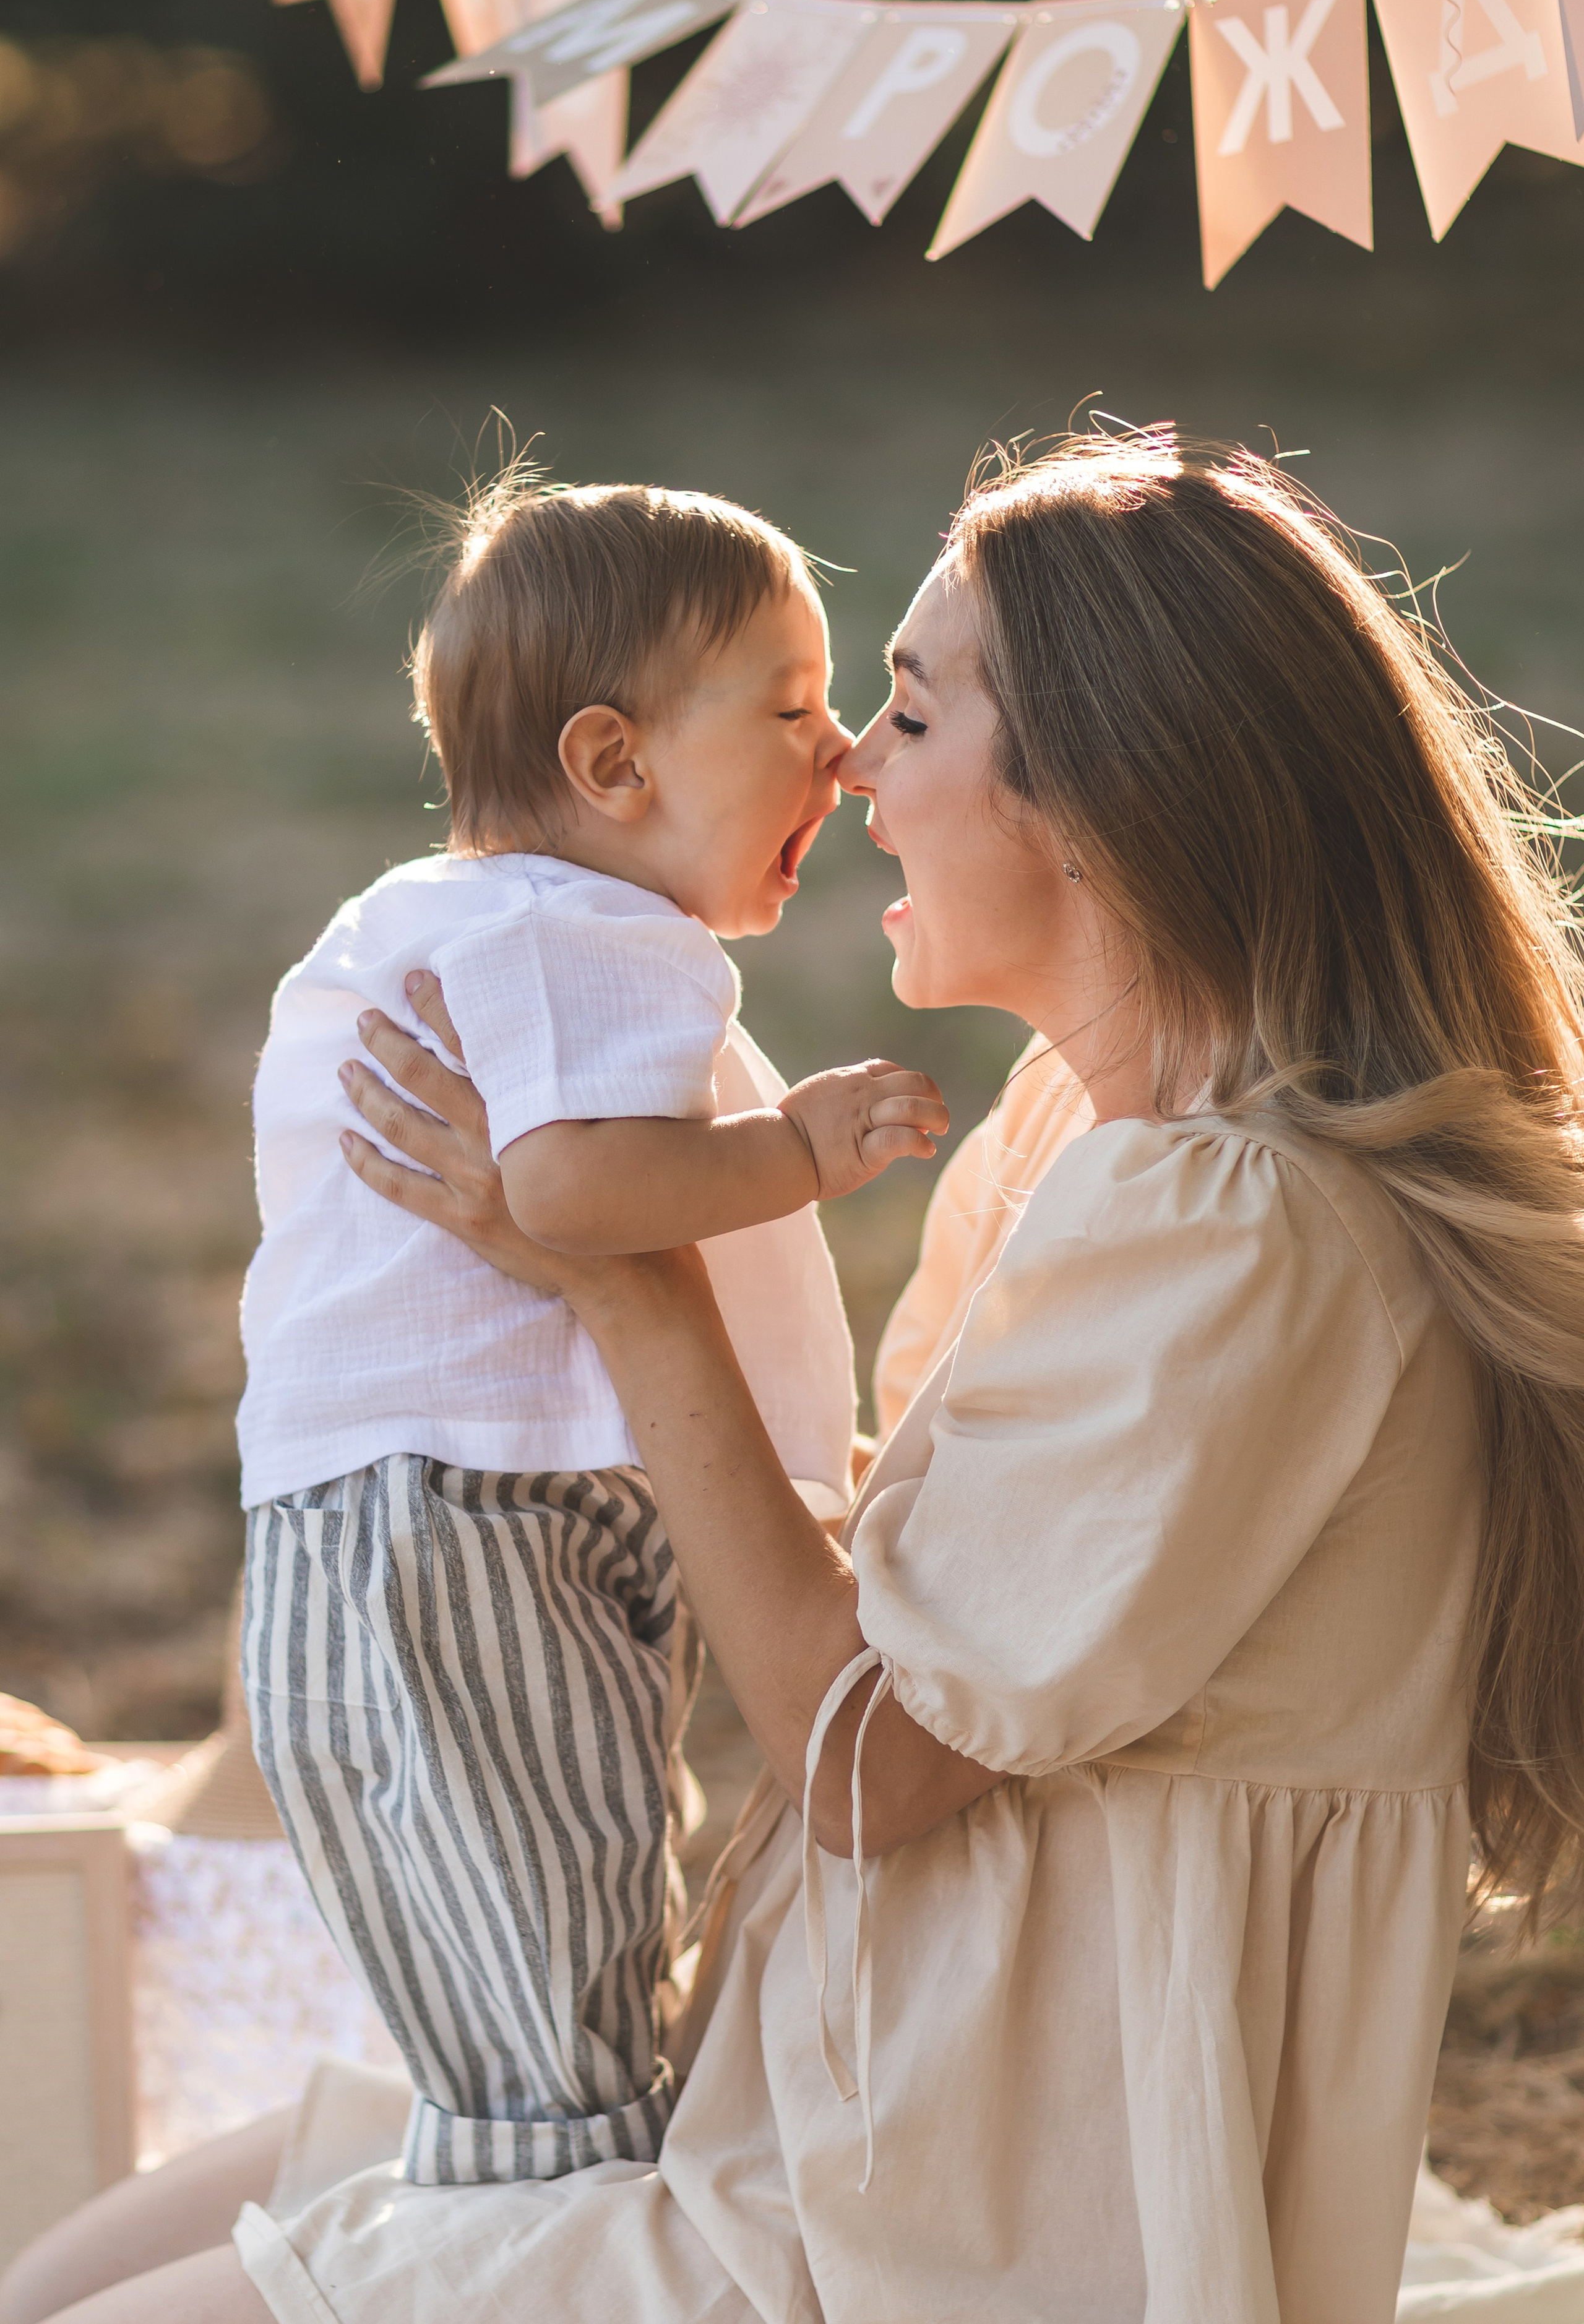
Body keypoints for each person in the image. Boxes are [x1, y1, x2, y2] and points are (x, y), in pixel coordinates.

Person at [14, 426, 1584, 2324]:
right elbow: (901, 1562)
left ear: (1103, 799)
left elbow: (870, 1763)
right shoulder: (1069, 1141)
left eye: (906, 715)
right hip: (798, 2069)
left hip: (956, 2205)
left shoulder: (1243, 1229)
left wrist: (626, 1285)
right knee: (59, 2275)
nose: (850, 769)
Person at [235, 476, 944, 2188]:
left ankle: (538, 2170)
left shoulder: (432, 914)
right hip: (490, 1518)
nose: (841, 755)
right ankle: (568, 2219)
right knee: (560, 1928)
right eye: (792, 709)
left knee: (503, 1930)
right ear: (614, 764)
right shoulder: (599, 930)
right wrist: (797, 1150)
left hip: (374, 1516)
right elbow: (563, 1190)